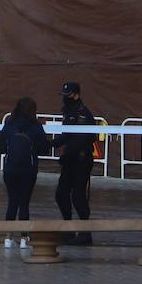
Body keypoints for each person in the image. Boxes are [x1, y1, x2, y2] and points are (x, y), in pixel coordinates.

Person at [0, 97, 50, 248]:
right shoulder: (36, 126)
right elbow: (44, 148)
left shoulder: (9, 124)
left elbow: (0, 147)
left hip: (10, 169)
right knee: (24, 203)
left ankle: (8, 238)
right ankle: (24, 238)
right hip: (28, 170)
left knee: (12, 202)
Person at [53, 81, 97, 244]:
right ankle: (68, 228)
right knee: (61, 194)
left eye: (68, 95)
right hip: (70, 158)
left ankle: (86, 233)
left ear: (76, 95)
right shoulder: (67, 111)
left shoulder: (83, 114)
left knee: (78, 196)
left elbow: (83, 137)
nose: (65, 98)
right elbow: (66, 135)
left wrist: (53, 143)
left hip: (81, 159)